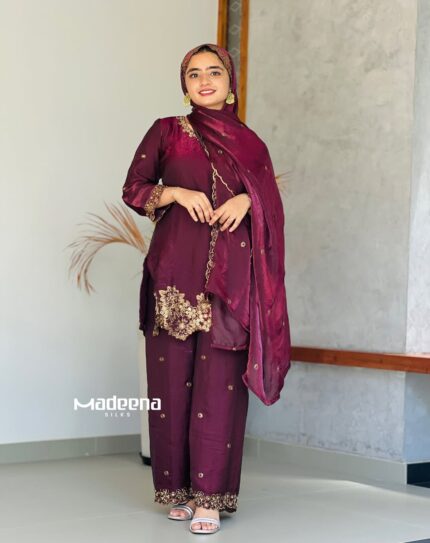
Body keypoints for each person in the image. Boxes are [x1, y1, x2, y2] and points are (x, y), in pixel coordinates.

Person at [121, 43, 292, 535]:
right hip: (174, 273)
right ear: (185, 85)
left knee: (220, 388)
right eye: (194, 74)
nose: (204, 81)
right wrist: (175, 192)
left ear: (230, 83)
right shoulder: (167, 131)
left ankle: (211, 499)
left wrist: (246, 202)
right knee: (170, 384)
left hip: (229, 284)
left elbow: (270, 202)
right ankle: (176, 490)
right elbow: (134, 188)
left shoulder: (251, 144)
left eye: (213, 72)